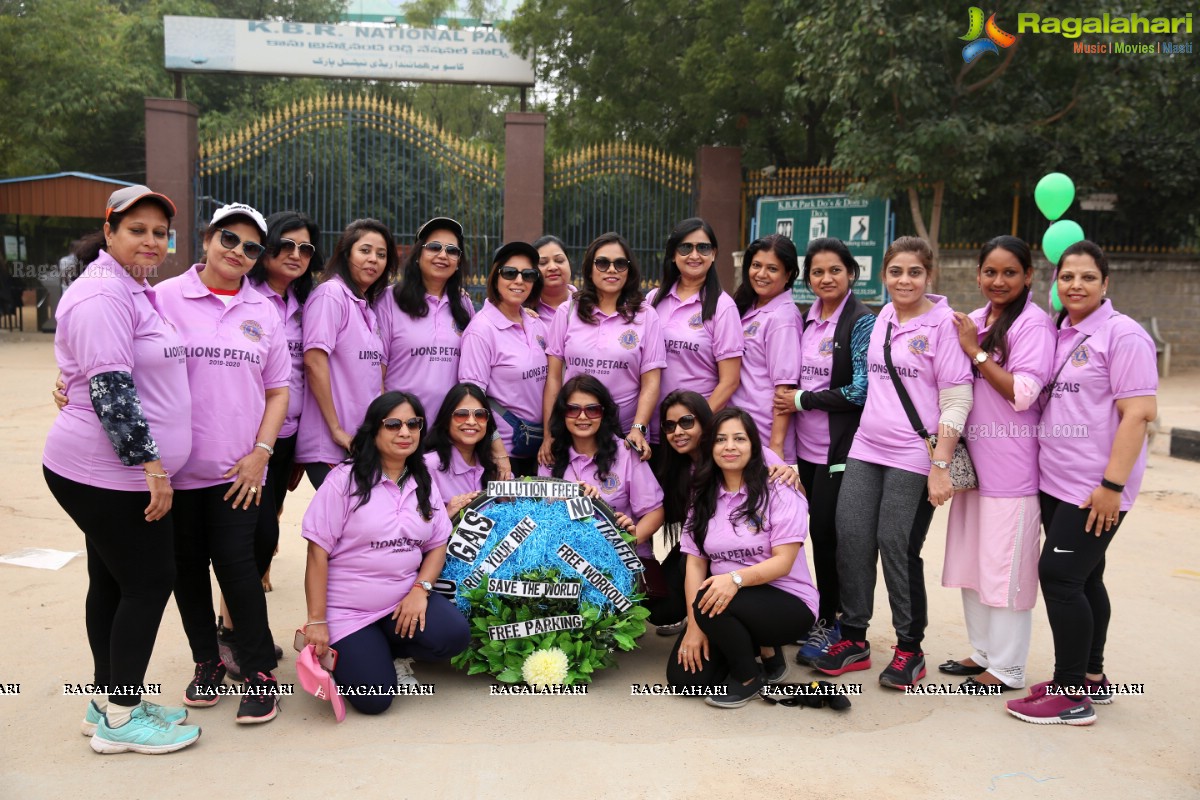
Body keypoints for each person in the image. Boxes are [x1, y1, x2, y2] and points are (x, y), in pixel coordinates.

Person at [43, 185, 201, 754]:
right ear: (109, 232)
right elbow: (112, 390)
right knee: (150, 581)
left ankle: (108, 699)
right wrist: (154, 470)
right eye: (138, 230)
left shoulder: (132, 288)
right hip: (106, 472)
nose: (152, 241)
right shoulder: (101, 296)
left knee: (111, 580)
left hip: (115, 470)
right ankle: (120, 721)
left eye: (160, 232)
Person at [1006, 240, 1157, 726]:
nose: (1076, 285)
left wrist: (1111, 486)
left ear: (1106, 283)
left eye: (1087, 277)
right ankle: (1090, 675)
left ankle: (1070, 695)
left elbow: (1138, 415)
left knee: (1061, 578)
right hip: (1057, 481)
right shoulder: (1062, 331)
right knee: (1087, 577)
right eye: (1067, 276)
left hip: (1094, 489)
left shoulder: (1123, 335)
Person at [813, 236, 972, 689]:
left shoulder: (944, 324)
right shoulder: (881, 316)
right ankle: (855, 637)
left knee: (896, 545)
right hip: (867, 447)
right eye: (897, 272)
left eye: (915, 272)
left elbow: (957, 400)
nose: (905, 280)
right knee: (852, 537)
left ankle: (909, 648)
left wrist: (940, 465)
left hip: (914, 454)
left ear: (930, 276)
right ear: (884, 275)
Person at [153, 202, 290, 723]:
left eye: (252, 247)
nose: (238, 252)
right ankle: (206, 661)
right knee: (185, 570)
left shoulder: (264, 311)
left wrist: (261, 453)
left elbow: (278, 390)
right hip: (174, 472)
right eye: (229, 240)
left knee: (237, 570)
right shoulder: (163, 298)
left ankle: (258, 671)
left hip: (238, 473)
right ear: (208, 238)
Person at [301, 391, 471, 716]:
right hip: (348, 611)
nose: (404, 432)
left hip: (401, 602)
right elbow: (316, 553)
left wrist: (420, 590)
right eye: (393, 424)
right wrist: (317, 620)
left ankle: (384, 647)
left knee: (454, 635)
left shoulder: (423, 480)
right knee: (375, 700)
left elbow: (436, 543)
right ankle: (352, 652)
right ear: (374, 431)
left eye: (413, 424)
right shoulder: (344, 480)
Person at [939, 236, 1054, 693]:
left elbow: (1023, 393)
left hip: (1013, 469)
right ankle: (983, 653)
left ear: (1029, 276)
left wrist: (975, 351)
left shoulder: (1033, 325)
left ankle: (1007, 668)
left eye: (1010, 272)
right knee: (975, 563)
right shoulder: (980, 318)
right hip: (976, 470)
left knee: (1006, 569)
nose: (998, 280)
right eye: (990, 271)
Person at [216, 210, 322, 678]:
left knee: (266, 534)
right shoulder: (244, 295)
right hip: (245, 441)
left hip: (285, 438)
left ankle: (236, 626)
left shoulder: (305, 302)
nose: (295, 255)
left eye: (306, 249)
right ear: (266, 249)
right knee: (251, 535)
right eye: (286, 245)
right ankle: (230, 632)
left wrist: (295, 446)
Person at [666, 408, 817, 708]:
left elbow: (784, 561)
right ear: (710, 447)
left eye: (739, 438)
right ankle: (763, 654)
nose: (730, 446)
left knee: (712, 598)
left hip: (785, 600)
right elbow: (695, 562)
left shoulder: (779, 489)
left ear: (754, 446)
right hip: (724, 604)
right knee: (685, 681)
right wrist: (696, 628)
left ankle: (748, 678)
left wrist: (733, 580)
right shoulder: (703, 495)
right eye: (720, 439)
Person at [773, 238, 875, 665]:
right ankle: (823, 614)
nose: (826, 278)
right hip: (806, 453)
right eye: (817, 272)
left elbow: (861, 390)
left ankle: (839, 623)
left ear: (851, 272)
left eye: (835, 270)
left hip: (842, 450)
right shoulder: (805, 319)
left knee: (834, 537)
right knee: (812, 535)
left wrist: (802, 400)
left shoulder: (862, 320)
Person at [655, 391, 801, 636]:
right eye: (669, 426)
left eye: (687, 421)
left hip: (752, 549)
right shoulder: (675, 468)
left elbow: (795, 498)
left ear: (705, 422)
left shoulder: (744, 451)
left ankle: (760, 633)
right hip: (708, 546)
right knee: (663, 606)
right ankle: (704, 621)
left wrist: (790, 475)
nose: (678, 431)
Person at [542, 232, 665, 462]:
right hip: (573, 434)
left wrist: (638, 428)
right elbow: (554, 379)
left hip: (624, 437)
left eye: (620, 263)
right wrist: (549, 434)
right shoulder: (568, 312)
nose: (611, 269)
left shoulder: (646, 316)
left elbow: (651, 381)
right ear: (590, 268)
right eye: (602, 263)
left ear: (629, 270)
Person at [296, 219, 397, 489]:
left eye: (381, 254)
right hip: (331, 444)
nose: (373, 260)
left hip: (360, 443)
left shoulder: (366, 306)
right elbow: (314, 363)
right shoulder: (331, 295)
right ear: (345, 253)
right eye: (365, 251)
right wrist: (337, 429)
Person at [539, 375, 665, 580]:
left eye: (592, 409)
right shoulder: (550, 457)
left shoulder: (626, 453)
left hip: (621, 567)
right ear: (562, 414)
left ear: (604, 413)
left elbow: (655, 513)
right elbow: (540, 517)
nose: (582, 417)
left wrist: (625, 543)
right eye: (573, 409)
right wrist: (562, 500)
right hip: (565, 567)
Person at [647, 218, 743, 446]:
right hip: (653, 428)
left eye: (703, 247)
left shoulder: (722, 306)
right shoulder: (653, 300)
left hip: (694, 435)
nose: (694, 255)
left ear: (714, 254)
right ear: (672, 254)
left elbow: (729, 381)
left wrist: (695, 424)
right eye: (685, 247)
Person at [458, 241, 549, 478]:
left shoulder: (536, 323)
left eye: (528, 274)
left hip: (538, 449)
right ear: (495, 277)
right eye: (510, 273)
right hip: (504, 454)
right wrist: (498, 455)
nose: (519, 280)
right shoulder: (481, 331)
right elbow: (472, 400)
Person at [378, 217, 475, 418]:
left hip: (449, 432)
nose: (443, 255)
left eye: (452, 250)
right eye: (434, 247)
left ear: (458, 262)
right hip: (401, 429)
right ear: (417, 254)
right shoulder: (389, 300)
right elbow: (376, 372)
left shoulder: (464, 305)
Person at [729, 234, 803, 462]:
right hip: (740, 427)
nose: (761, 274)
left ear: (788, 274)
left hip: (764, 432)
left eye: (772, 268)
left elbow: (785, 388)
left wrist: (776, 446)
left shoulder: (783, 317)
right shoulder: (748, 306)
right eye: (756, 266)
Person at [423, 381, 500, 519]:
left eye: (480, 415)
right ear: (446, 420)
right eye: (462, 414)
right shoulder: (429, 465)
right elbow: (416, 530)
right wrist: (447, 515)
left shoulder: (494, 463)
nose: (471, 421)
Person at [528, 234, 576, 325]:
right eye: (543, 263)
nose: (552, 267)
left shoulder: (588, 305)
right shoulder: (522, 311)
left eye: (559, 260)